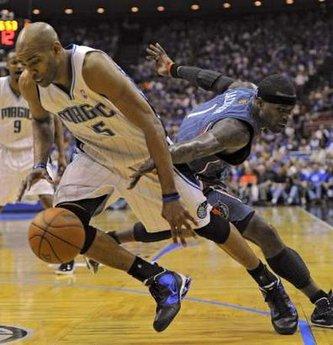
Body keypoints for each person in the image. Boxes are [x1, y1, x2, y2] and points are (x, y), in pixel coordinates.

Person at [15, 22, 240, 332]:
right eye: (24, 64)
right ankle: (160, 279)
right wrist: (40, 163)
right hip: (94, 153)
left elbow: (151, 124)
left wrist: (170, 194)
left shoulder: (93, 66)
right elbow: (41, 123)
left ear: (56, 49)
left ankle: (270, 285)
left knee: (205, 224)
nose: (30, 70)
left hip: (142, 152)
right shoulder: (30, 82)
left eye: (34, 61)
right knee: (66, 228)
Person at [113, 43, 332, 328]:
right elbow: (198, 147)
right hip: (185, 175)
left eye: (288, 111)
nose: (285, 118)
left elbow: (212, 79)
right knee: (246, 232)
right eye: (279, 111)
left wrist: (173, 68)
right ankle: (294, 297)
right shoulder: (237, 131)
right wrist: (157, 159)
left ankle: (113, 237)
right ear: (261, 103)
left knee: (188, 226)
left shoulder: (245, 89)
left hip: (201, 174)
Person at [0, 50, 66, 211]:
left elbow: (55, 121)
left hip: (34, 152)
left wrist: (62, 154)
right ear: (7, 65)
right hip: (5, 152)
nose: (18, 66)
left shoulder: (38, 87)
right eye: (14, 62)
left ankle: (58, 232)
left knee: (47, 196)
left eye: (22, 62)